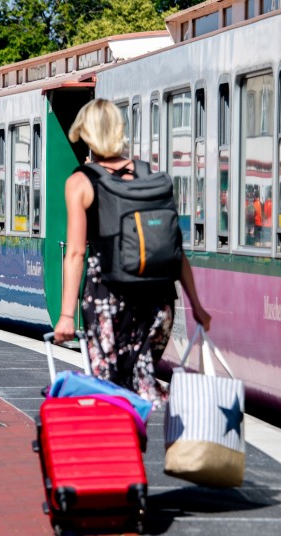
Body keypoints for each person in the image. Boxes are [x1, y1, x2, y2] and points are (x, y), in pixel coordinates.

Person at [53, 98, 211, 411]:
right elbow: (174, 248)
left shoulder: (80, 182)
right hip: (158, 302)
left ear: (86, 134)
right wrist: (196, 306)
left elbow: (75, 252)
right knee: (140, 385)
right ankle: (137, 432)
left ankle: (117, 440)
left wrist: (66, 316)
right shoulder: (149, 176)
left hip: (108, 300)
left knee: (109, 391)